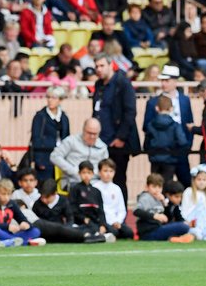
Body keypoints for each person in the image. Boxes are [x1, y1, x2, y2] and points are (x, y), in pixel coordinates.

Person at [93, 56, 141, 202]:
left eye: (102, 65)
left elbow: (130, 112)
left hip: (118, 142)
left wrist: (121, 137)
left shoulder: (123, 83)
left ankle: (122, 216)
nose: (98, 69)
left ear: (110, 65)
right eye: (96, 66)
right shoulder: (98, 85)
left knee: (119, 180)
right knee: (100, 179)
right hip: (102, 141)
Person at [143, 64, 194, 185]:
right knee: (160, 185)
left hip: (180, 151)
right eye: (162, 80)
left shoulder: (184, 100)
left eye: (167, 80)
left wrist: (187, 146)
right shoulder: (152, 102)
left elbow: (189, 123)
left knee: (185, 183)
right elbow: (146, 126)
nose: (163, 83)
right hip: (161, 155)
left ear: (175, 81)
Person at [49, 118, 109, 189]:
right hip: (72, 180)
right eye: (89, 133)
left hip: (95, 181)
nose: (92, 136)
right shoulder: (71, 141)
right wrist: (74, 171)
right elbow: (54, 156)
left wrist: (93, 174)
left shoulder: (103, 147)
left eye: (95, 134)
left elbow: (105, 166)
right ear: (83, 130)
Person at [134, 173, 194, 242]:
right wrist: (155, 216)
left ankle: (174, 238)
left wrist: (164, 203)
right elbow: (136, 211)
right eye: (154, 187)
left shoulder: (159, 199)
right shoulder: (145, 197)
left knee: (182, 225)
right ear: (147, 187)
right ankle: (174, 237)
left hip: (158, 228)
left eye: (159, 187)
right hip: (148, 231)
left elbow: (167, 219)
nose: (157, 190)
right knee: (183, 227)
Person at [144, 95, 188, 183]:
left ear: (157, 108)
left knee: (155, 183)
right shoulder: (175, 125)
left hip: (155, 158)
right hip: (170, 158)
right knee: (167, 184)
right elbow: (182, 142)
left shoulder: (150, 125)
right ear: (171, 109)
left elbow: (146, 143)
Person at [29, 86, 70, 182]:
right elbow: (36, 138)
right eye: (48, 97)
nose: (50, 100)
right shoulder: (40, 116)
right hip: (45, 156)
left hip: (61, 156)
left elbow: (67, 137)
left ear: (60, 100)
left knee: (61, 184)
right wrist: (38, 160)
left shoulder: (64, 117)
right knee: (45, 185)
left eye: (54, 98)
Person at [68, 160, 114, 240]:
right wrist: (83, 218)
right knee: (85, 228)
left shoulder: (96, 191)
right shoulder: (75, 189)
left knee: (116, 231)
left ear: (92, 174)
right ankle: (97, 235)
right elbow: (72, 208)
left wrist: (103, 224)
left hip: (94, 220)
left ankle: (98, 234)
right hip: (82, 221)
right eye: (84, 172)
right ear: (79, 173)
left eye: (89, 173)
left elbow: (101, 210)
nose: (86, 175)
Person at [93, 158, 134, 238]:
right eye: (105, 171)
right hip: (103, 221)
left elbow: (121, 209)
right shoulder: (95, 187)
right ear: (99, 172)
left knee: (129, 233)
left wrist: (118, 221)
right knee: (114, 232)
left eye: (111, 171)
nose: (108, 174)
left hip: (115, 221)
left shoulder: (117, 188)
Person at [0, 178, 44, 247]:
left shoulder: (12, 204)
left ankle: (9, 242)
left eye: (9, 194)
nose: (6, 197)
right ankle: (22, 242)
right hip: (0, 232)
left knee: (35, 231)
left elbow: (23, 219)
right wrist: (7, 226)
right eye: (3, 194)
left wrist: (25, 225)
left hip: (10, 233)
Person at [183, 164, 206, 240]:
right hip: (193, 221)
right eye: (199, 179)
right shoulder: (189, 191)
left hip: (204, 222)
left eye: (204, 180)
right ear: (194, 180)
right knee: (198, 236)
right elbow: (185, 208)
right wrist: (187, 221)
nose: (201, 182)